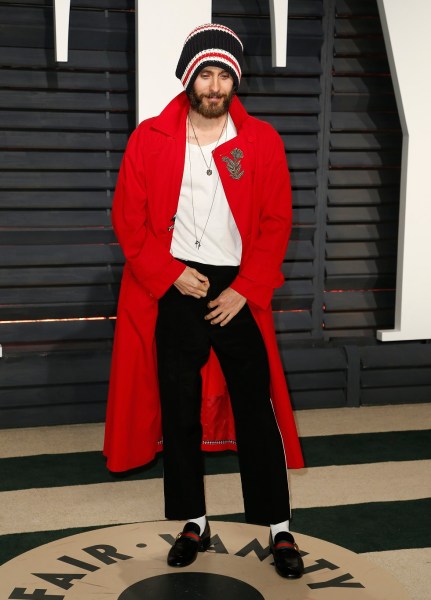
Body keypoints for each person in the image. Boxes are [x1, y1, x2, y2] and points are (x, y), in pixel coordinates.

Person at [104, 23, 305, 579]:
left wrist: (245, 287)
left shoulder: (261, 140)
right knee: (179, 408)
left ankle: (279, 528)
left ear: (234, 81)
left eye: (224, 75)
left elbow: (275, 220)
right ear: (187, 77)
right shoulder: (150, 137)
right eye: (205, 74)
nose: (214, 86)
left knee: (255, 411)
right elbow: (130, 218)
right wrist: (169, 274)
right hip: (176, 284)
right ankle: (194, 520)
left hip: (238, 286)